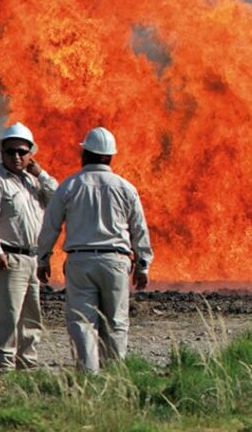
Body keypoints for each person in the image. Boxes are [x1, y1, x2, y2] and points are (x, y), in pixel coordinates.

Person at [37, 127, 152, 373]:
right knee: (116, 323)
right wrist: (143, 264)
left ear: (85, 154)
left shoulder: (69, 186)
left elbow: (50, 226)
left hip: (80, 262)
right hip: (116, 261)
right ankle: (115, 378)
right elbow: (139, 229)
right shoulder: (125, 187)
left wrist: (43, 258)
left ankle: (88, 378)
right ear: (110, 156)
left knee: (82, 323)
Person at [0, 123, 57, 373]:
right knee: (9, 315)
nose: (16, 156)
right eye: (11, 152)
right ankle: (4, 370)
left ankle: (27, 367)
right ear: (2, 153)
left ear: (31, 154)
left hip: (33, 257)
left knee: (32, 316)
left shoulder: (32, 181)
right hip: (9, 258)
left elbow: (58, 199)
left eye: (22, 152)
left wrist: (41, 174)